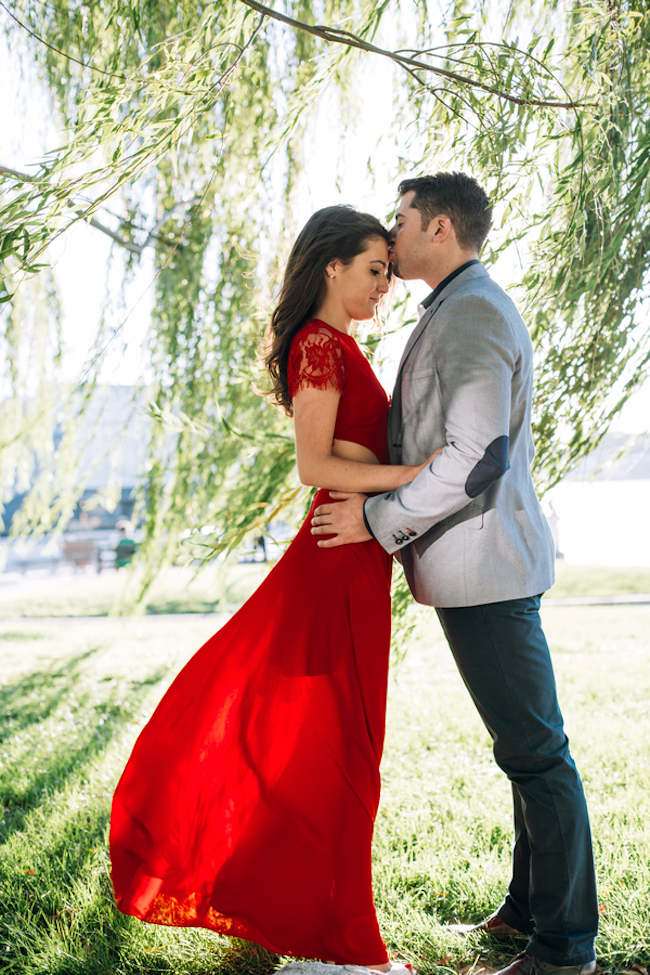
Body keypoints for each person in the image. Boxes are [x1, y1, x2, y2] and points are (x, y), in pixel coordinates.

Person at [110, 205, 437, 972]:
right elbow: (315, 466)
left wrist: (390, 500)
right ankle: (343, 944)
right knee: (345, 749)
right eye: (375, 270)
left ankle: (305, 912)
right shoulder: (319, 346)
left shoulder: (340, 344)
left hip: (355, 552)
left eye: (388, 272)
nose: (384, 287)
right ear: (332, 266)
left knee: (330, 745)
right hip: (335, 554)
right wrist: (415, 479)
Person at [311, 173, 599, 975]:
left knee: (538, 753)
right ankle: (528, 908)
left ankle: (567, 945)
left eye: (399, 220)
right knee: (524, 749)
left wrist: (377, 522)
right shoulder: (457, 304)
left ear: (439, 226)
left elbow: (476, 457)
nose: (390, 233)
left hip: (488, 570)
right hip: (480, 566)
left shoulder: (470, 312)